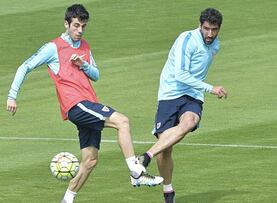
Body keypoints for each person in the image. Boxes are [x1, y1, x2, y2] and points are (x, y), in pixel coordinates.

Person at [5, 4, 163, 203]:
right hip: (75, 105)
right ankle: (136, 172)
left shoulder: (85, 46)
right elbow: (25, 66)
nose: (79, 31)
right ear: (66, 24)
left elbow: (95, 75)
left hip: (88, 102)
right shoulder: (53, 47)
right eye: (76, 26)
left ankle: (67, 199)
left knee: (90, 161)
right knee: (122, 122)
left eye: (83, 26)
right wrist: (12, 96)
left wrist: (83, 64)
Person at [137, 8, 227, 203]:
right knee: (166, 148)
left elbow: (197, 74)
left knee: (189, 122)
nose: (210, 34)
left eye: (214, 29)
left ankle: (145, 158)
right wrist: (211, 88)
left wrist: (202, 90)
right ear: (200, 25)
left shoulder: (215, 45)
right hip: (170, 94)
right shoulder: (186, 40)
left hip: (192, 95)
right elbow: (181, 75)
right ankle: (167, 191)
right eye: (206, 29)